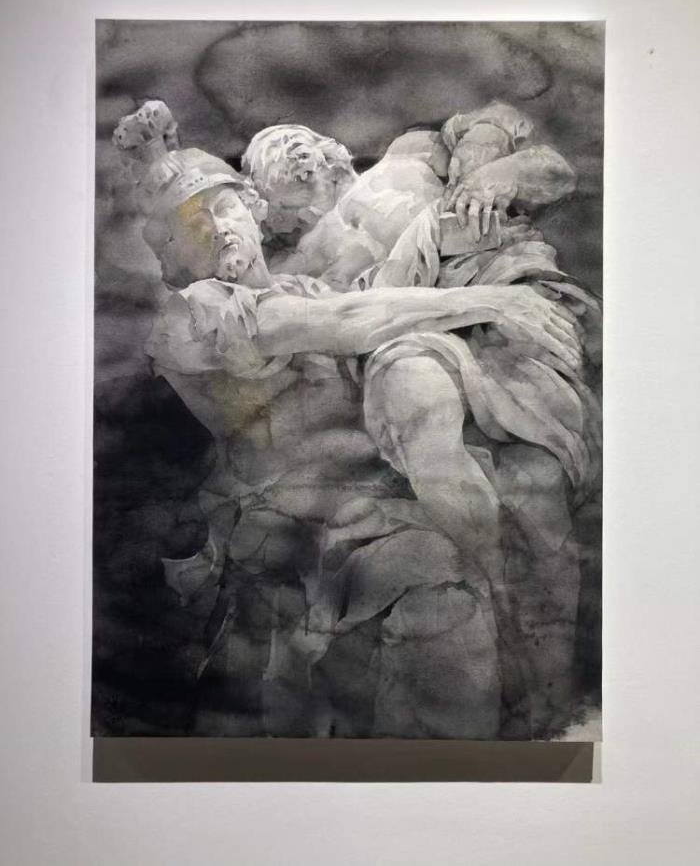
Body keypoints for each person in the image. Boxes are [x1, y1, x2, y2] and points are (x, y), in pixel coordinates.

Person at [112, 102, 579, 737]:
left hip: (372, 513)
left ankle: (478, 750)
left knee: (474, 537)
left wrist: (481, 183)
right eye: (189, 228)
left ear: (253, 210)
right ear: (171, 257)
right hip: (290, 534)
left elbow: (375, 298)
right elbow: (345, 324)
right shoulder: (194, 315)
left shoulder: (309, 283)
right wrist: (489, 299)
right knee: (435, 574)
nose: (216, 231)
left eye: (223, 208)